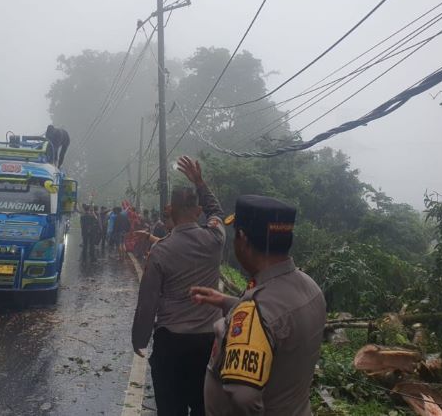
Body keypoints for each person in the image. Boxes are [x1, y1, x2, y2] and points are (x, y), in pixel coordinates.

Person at [190, 196, 326, 416]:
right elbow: (278, 325)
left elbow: (244, 398)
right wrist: (227, 302)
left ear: (242, 239)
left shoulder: (257, 310)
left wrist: (242, 311)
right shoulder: (310, 288)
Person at [131, 156, 225, 416]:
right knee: (203, 407)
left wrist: (140, 338)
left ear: (170, 210)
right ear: (197, 211)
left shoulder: (160, 251)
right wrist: (199, 182)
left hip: (170, 344)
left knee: (171, 409)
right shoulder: (215, 239)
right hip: (208, 343)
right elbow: (217, 213)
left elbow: (148, 302)